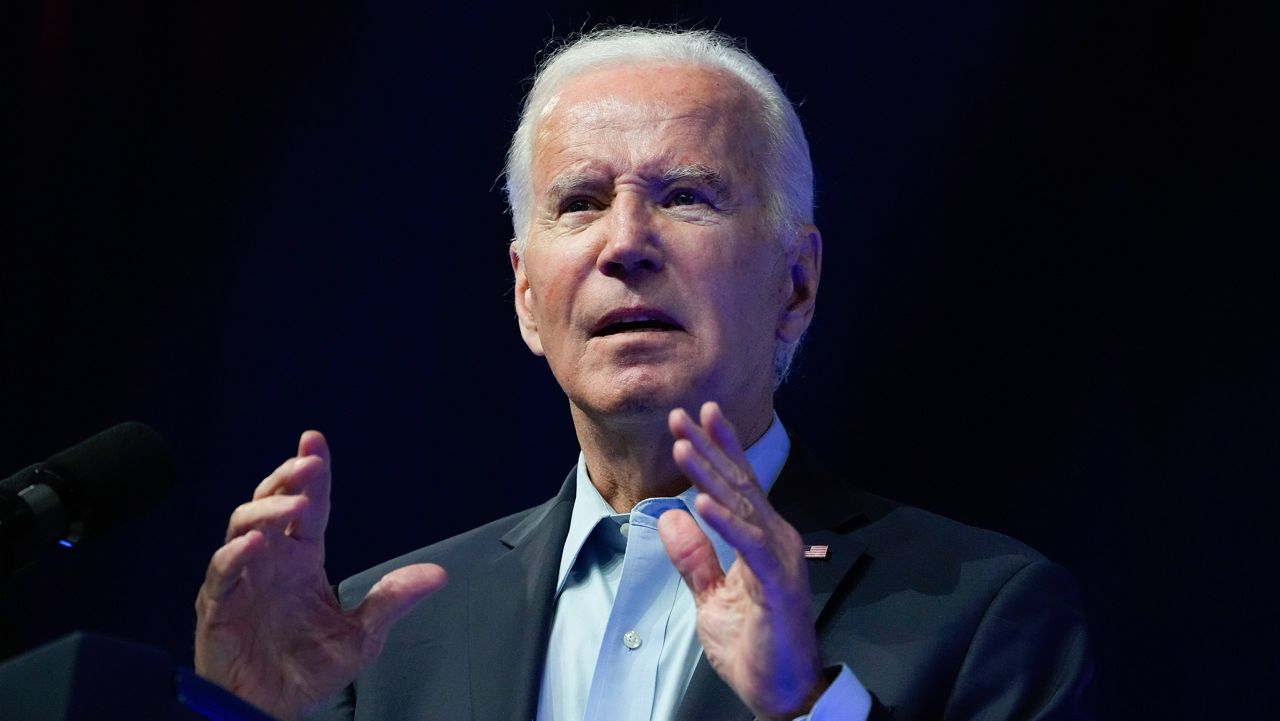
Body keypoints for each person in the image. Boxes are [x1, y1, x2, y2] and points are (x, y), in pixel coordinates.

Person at [194, 27, 1092, 721]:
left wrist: (805, 707)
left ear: (798, 282)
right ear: (524, 295)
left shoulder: (982, 612)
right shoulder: (380, 635)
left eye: (685, 196)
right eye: (580, 202)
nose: (625, 243)